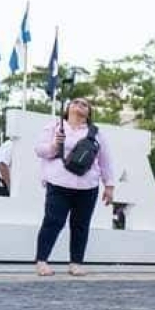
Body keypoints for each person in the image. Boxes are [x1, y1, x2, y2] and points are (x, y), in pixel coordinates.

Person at [33, 98, 115, 277]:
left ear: (89, 112)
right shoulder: (55, 127)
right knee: (53, 222)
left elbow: (105, 160)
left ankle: (76, 262)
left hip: (87, 186)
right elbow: (39, 150)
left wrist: (109, 185)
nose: (80, 105)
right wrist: (55, 145)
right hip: (59, 183)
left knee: (81, 225)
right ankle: (42, 261)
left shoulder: (96, 133)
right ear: (67, 107)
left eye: (85, 104)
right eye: (76, 102)